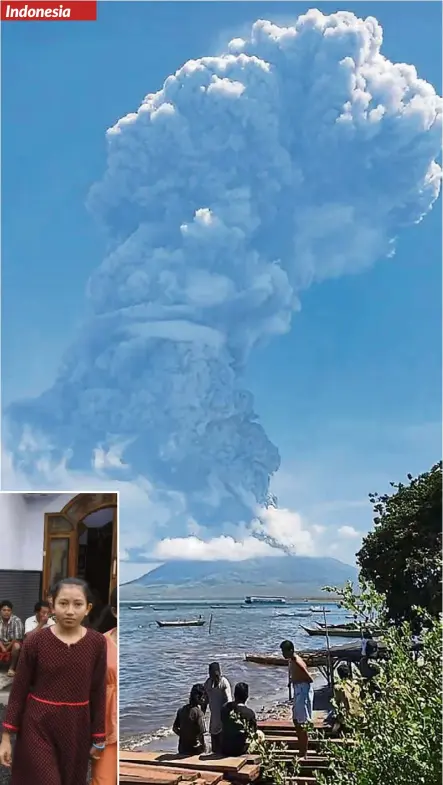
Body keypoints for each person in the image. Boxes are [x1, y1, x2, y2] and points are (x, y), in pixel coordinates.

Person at [0, 577, 107, 785]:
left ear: (88, 608)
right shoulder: (36, 642)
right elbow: (19, 690)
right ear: (52, 605)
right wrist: (6, 737)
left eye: (77, 604)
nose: (69, 611)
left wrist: (99, 736)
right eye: (63, 603)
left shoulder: (97, 643)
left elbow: (98, 690)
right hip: (37, 724)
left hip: (77, 727)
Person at [91, 588, 118, 785]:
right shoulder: (100, 644)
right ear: (115, 611)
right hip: (105, 728)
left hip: (127, 726)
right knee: (102, 780)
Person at [280, 640, 313, 759]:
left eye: (284, 651)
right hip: (298, 689)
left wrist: (299, 683)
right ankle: (301, 748)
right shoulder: (291, 660)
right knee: (296, 720)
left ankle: (304, 752)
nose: (282, 654)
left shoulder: (296, 661)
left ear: (291, 650)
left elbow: (308, 677)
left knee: (302, 722)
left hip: (302, 691)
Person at [221, 682, 257, 756]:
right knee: (259, 735)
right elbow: (253, 731)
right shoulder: (249, 713)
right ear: (247, 696)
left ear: (234, 695)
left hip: (225, 748)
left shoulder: (225, 708)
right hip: (240, 750)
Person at [204, 662, 232, 754]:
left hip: (223, 718)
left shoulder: (224, 683)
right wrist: (202, 715)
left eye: (216, 674)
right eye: (212, 674)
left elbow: (229, 702)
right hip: (214, 717)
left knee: (222, 745)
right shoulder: (208, 684)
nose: (214, 676)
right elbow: (205, 700)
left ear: (219, 673)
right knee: (214, 744)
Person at [173, 683, 207, 756]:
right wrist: (204, 747)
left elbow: (175, 728)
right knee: (209, 748)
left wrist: (184, 736)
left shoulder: (181, 710)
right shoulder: (199, 713)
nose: (205, 699)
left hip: (182, 748)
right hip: (194, 749)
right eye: (204, 697)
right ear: (199, 697)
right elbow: (202, 733)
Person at [0, 601, 24, 678]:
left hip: (12, 643)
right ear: (0, 611)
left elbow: (17, 638)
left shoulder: (16, 620)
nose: (6, 612)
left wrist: (6, 648)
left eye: (8, 610)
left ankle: (12, 668)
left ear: (11, 611)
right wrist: (3, 647)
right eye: (4, 610)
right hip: (2, 643)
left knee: (16, 646)